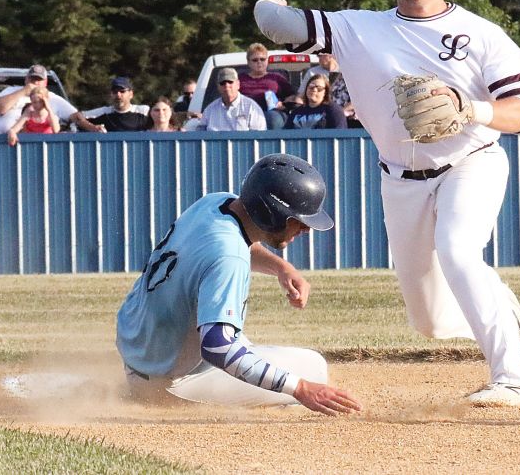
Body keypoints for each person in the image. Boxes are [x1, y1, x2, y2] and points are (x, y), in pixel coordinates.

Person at [254, 0, 520, 408]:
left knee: (458, 251)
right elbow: (275, 23)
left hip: (470, 160)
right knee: (430, 321)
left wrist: (471, 109)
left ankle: (516, 377)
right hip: (400, 180)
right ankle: (510, 318)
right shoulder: (356, 28)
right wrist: (268, 6)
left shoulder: (481, 34)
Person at [115, 153, 362, 415]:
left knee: (240, 341)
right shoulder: (228, 257)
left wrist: (281, 267)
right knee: (313, 367)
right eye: (298, 220)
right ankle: (156, 398)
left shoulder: (216, 203)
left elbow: (232, 244)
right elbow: (217, 347)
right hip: (170, 384)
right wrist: (300, 388)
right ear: (271, 214)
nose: (305, 229)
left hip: (140, 349)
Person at [0, 64, 103, 133]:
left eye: (38, 80)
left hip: (38, 143)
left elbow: (75, 117)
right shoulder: (11, 91)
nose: (35, 82)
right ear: (26, 79)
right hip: (0, 141)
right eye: (32, 79)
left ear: (45, 82)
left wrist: (93, 127)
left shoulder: (53, 99)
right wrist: (23, 91)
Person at [237, 43, 294, 129]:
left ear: (267, 61)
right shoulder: (240, 79)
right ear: (248, 62)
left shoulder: (276, 78)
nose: (259, 62)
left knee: (272, 118)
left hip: (272, 113)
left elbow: (293, 96)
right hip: (245, 114)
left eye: (262, 59)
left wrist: (283, 104)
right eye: (255, 60)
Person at [197, 67, 266, 132]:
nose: (227, 85)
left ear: (238, 84)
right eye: (222, 83)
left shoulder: (252, 108)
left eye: (230, 82)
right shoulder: (209, 110)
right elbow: (199, 135)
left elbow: (260, 137)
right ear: (218, 86)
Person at [83, 77, 149, 132]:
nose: (118, 95)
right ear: (111, 94)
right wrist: (92, 127)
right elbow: (77, 117)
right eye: (115, 92)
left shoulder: (143, 111)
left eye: (122, 91)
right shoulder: (104, 112)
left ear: (131, 94)